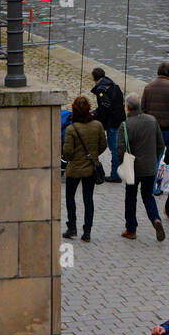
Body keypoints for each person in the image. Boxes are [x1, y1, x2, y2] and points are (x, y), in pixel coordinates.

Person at [118, 93, 165, 241]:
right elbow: (161, 144)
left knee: (131, 197)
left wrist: (123, 164)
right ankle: (155, 219)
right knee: (147, 195)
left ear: (127, 107)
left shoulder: (125, 125)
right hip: (150, 166)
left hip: (133, 167)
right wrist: (154, 158)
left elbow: (120, 149)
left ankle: (131, 229)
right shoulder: (152, 120)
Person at [62, 94, 107, 242]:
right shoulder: (97, 125)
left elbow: (67, 152)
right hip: (90, 168)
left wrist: (73, 158)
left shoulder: (71, 129)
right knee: (88, 199)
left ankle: (72, 227)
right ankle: (87, 231)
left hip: (74, 168)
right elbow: (103, 145)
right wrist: (93, 155)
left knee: (70, 197)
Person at [89, 65, 125, 182]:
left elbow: (105, 106)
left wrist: (95, 114)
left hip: (112, 122)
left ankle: (115, 174)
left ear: (94, 78)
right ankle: (117, 172)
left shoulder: (101, 89)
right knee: (116, 147)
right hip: (119, 119)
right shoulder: (114, 86)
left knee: (114, 148)